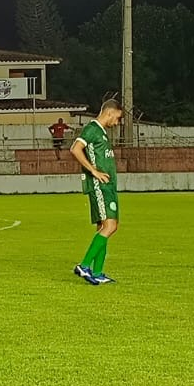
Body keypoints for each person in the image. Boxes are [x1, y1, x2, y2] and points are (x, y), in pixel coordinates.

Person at [71, 100, 125, 285]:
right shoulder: (92, 129)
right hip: (99, 186)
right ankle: (84, 266)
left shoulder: (101, 132)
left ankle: (97, 272)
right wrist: (94, 171)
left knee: (104, 227)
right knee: (111, 226)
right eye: (117, 118)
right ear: (109, 112)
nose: (117, 123)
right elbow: (75, 149)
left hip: (107, 186)